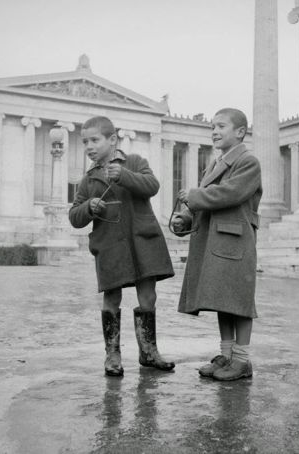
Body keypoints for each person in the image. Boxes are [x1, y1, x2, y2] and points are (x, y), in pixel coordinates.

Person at [69, 116, 175, 377]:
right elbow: (74, 216)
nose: (89, 146)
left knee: (148, 296)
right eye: (85, 142)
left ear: (112, 139)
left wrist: (125, 175)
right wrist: (88, 207)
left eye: (95, 140)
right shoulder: (89, 179)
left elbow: (152, 186)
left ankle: (149, 352)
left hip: (142, 240)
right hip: (110, 246)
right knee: (112, 297)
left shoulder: (135, 162)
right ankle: (112, 355)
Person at [171, 108, 262, 381]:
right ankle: (226, 356)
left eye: (221, 126)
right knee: (223, 299)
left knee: (240, 301)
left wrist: (195, 196)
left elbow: (229, 194)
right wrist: (185, 219)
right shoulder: (214, 164)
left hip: (236, 240)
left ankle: (242, 361)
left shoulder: (248, 162)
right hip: (216, 238)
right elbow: (207, 205)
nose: (214, 131)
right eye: (212, 126)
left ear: (240, 132)